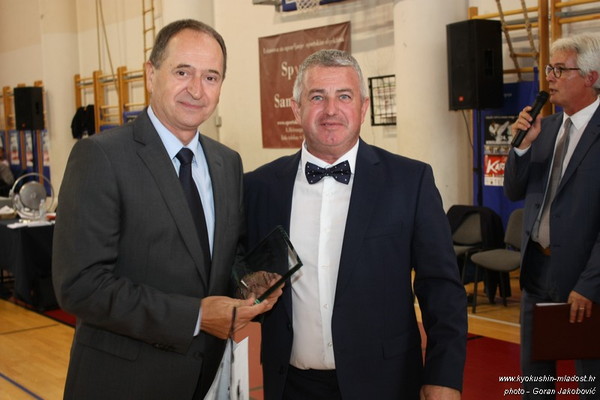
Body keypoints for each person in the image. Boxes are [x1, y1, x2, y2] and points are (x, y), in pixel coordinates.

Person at [52, 19, 280, 400]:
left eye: (210, 77)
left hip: (208, 380)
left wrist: (247, 281)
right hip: (124, 384)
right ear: (150, 74)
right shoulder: (101, 157)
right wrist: (196, 317)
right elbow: (80, 285)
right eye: (182, 72)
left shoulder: (227, 163)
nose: (196, 89)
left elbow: (226, 257)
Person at [244, 49, 467, 400]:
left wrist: (445, 376)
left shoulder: (410, 182)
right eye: (317, 97)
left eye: (344, 96)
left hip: (387, 384)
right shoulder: (259, 187)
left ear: (363, 108)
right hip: (290, 386)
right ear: (296, 108)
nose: (331, 110)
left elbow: (441, 287)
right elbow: (241, 275)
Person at [504, 32, 600, 399]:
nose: (550, 78)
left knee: (590, 380)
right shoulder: (545, 130)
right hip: (537, 271)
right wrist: (522, 148)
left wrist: (590, 284)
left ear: (590, 77)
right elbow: (514, 191)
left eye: (560, 70)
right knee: (536, 380)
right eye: (549, 69)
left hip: (585, 278)